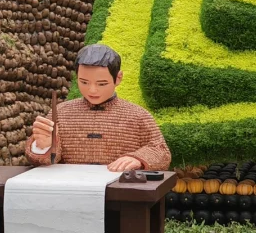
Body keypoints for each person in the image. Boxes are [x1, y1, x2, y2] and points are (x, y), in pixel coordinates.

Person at [26, 43, 169, 172]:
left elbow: (161, 152)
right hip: (71, 190)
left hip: (118, 193)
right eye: (84, 82)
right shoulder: (61, 113)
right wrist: (44, 146)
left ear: (118, 78)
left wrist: (137, 159)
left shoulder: (138, 115)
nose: (92, 90)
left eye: (101, 84)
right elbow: (43, 162)